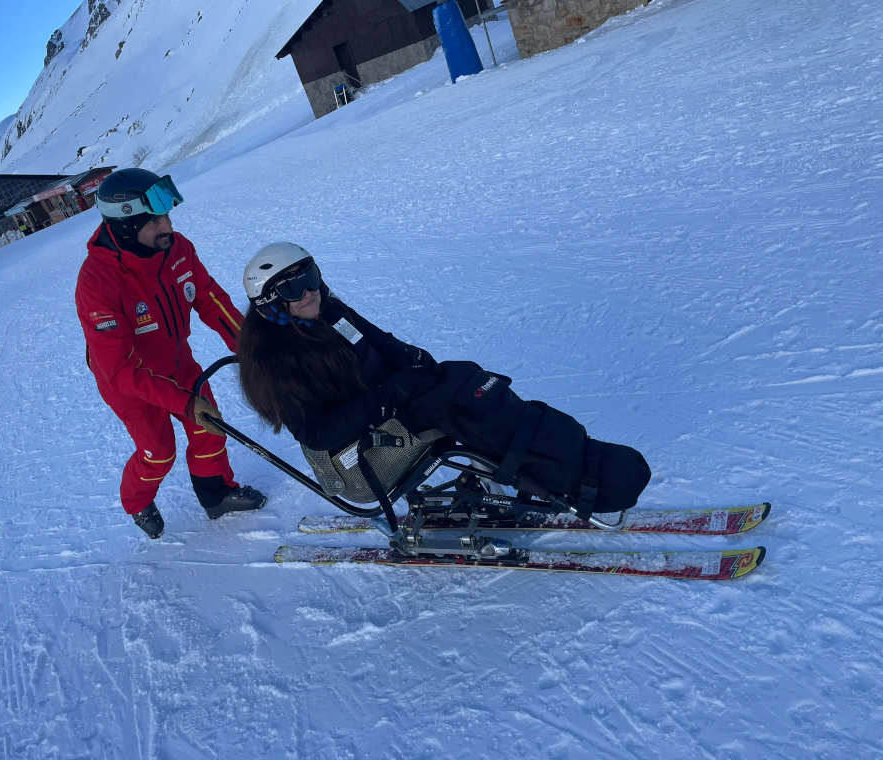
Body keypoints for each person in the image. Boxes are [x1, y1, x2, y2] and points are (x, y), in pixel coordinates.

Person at [237, 243, 651, 517]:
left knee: (465, 378)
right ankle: (571, 480)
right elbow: (317, 432)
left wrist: (413, 361)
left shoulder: (330, 312)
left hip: (389, 412)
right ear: (270, 303)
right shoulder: (274, 361)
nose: (309, 293)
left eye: (310, 278)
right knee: (455, 402)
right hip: (356, 462)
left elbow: (380, 342)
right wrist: (390, 395)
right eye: (293, 288)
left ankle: (564, 461)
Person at [74, 167, 266, 539]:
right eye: (156, 219)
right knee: (158, 452)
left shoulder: (176, 248)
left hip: (177, 361)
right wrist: (184, 402)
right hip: (129, 382)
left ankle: (217, 495)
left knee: (210, 428)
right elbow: (120, 369)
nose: (168, 226)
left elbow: (210, 299)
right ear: (127, 226)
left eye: (167, 215)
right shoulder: (96, 281)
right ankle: (136, 501)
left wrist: (250, 347)